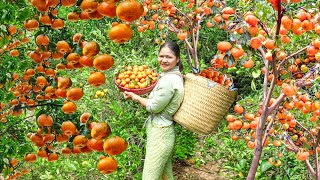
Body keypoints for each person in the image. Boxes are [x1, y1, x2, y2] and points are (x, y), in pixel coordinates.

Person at [123, 41, 184, 180]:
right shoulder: (169, 76)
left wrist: (135, 97)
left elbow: (154, 107)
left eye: (168, 57)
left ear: (177, 59)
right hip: (162, 130)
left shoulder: (169, 80)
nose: (164, 60)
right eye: (161, 56)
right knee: (165, 176)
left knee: (149, 177)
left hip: (160, 133)